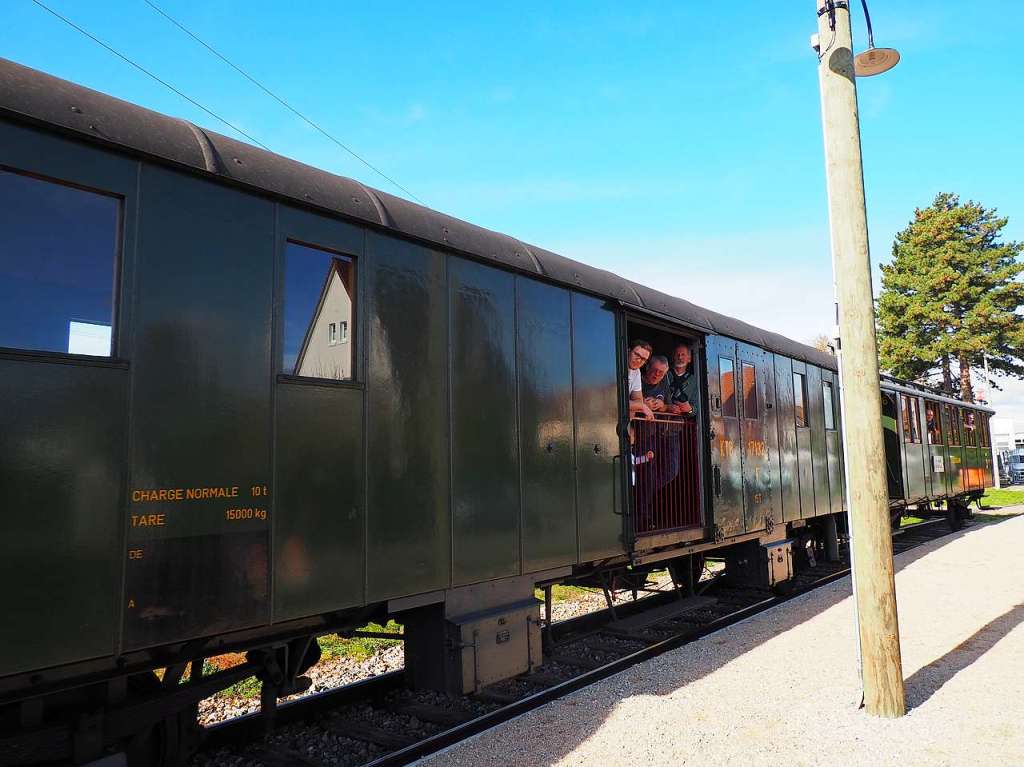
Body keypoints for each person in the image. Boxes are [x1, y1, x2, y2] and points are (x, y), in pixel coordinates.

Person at [668, 343, 698, 417]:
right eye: (677, 355)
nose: (680, 357)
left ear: (689, 359)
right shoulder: (664, 374)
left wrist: (689, 409)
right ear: (673, 358)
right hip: (659, 419)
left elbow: (695, 411)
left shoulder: (693, 380)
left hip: (679, 424)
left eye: (683, 354)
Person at [627, 340, 655, 420]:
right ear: (628, 351)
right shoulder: (614, 365)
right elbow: (615, 400)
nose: (639, 360)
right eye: (637, 355)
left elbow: (637, 400)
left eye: (643, 359)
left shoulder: (636, 371)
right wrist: (642, 406)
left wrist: (638, 405)